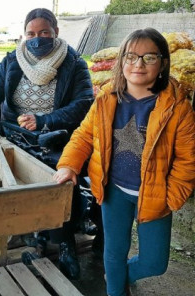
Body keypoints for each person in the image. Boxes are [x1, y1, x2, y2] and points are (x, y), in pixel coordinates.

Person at [0, 8, 94, 279]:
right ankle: (35, 235)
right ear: (24, 35)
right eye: (31, 34)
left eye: (44, 33)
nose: (38, 39)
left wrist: (45, 120)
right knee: (23, 189)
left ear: (56, 32)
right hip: (16, 137)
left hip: (57, 139)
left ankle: (64, 243)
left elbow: (84, 104)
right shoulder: (12, 61)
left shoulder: (74, 63)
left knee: (61, 189)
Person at [53, 28, 195, 296]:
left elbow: (188, 159)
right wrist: (68, 165)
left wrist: (171, 197)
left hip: (155, 195)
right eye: (131, 56)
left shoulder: (177, 107)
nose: (138, 64)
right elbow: (84, 135)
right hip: (114, 192)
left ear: (163, 62)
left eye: (149, 57)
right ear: (121, 62)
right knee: (113, 253)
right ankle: (116, 288)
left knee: (155, 263)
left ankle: (117, 277)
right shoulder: (107, 98)